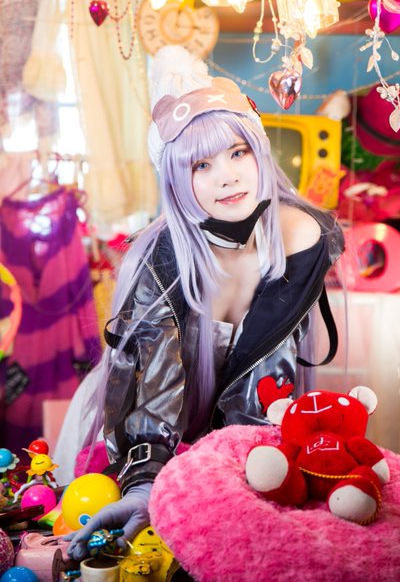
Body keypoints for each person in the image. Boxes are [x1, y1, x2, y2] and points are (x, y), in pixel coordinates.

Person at [67, 45, 344, 560]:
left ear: (259, 151)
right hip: (143, 429)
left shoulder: (302, 238)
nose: (227, 176)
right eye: (201, 164)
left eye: (238, 153)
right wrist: (146, 484)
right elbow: (151, 390)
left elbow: (271, 382)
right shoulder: (160, 258)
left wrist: (238, 474)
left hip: (241, 444)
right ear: (176, 178)